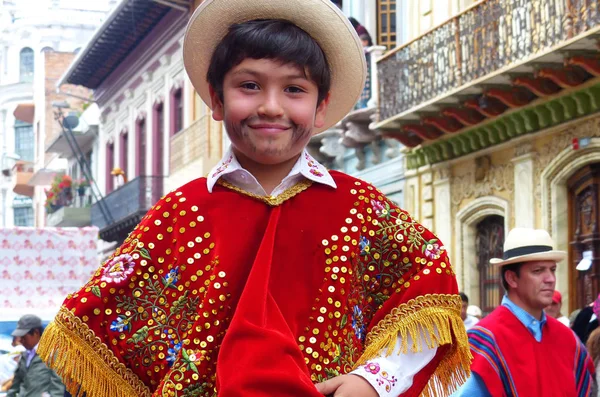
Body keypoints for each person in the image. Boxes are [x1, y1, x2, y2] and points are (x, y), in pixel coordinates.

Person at [37, 1, 470, 396]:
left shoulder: (358, 207)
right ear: (216, 99)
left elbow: (431, 292)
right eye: (249, 85)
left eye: (294, 90)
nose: (271, 106)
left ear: (321, 107)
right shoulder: (179, 213)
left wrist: (373, 380)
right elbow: (91, 328)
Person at [455, 228, 595, 396]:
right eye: (538, 271)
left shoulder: (568, 339)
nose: (550, 279)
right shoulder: (485, 341)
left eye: (552, 269)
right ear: (512, 278)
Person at [6, 314, 64, 397]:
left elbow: (58, 388)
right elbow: (15, 386)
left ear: (36, 332)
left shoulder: (52, 355)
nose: (21, 340)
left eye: (24, 337)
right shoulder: (25, 355)